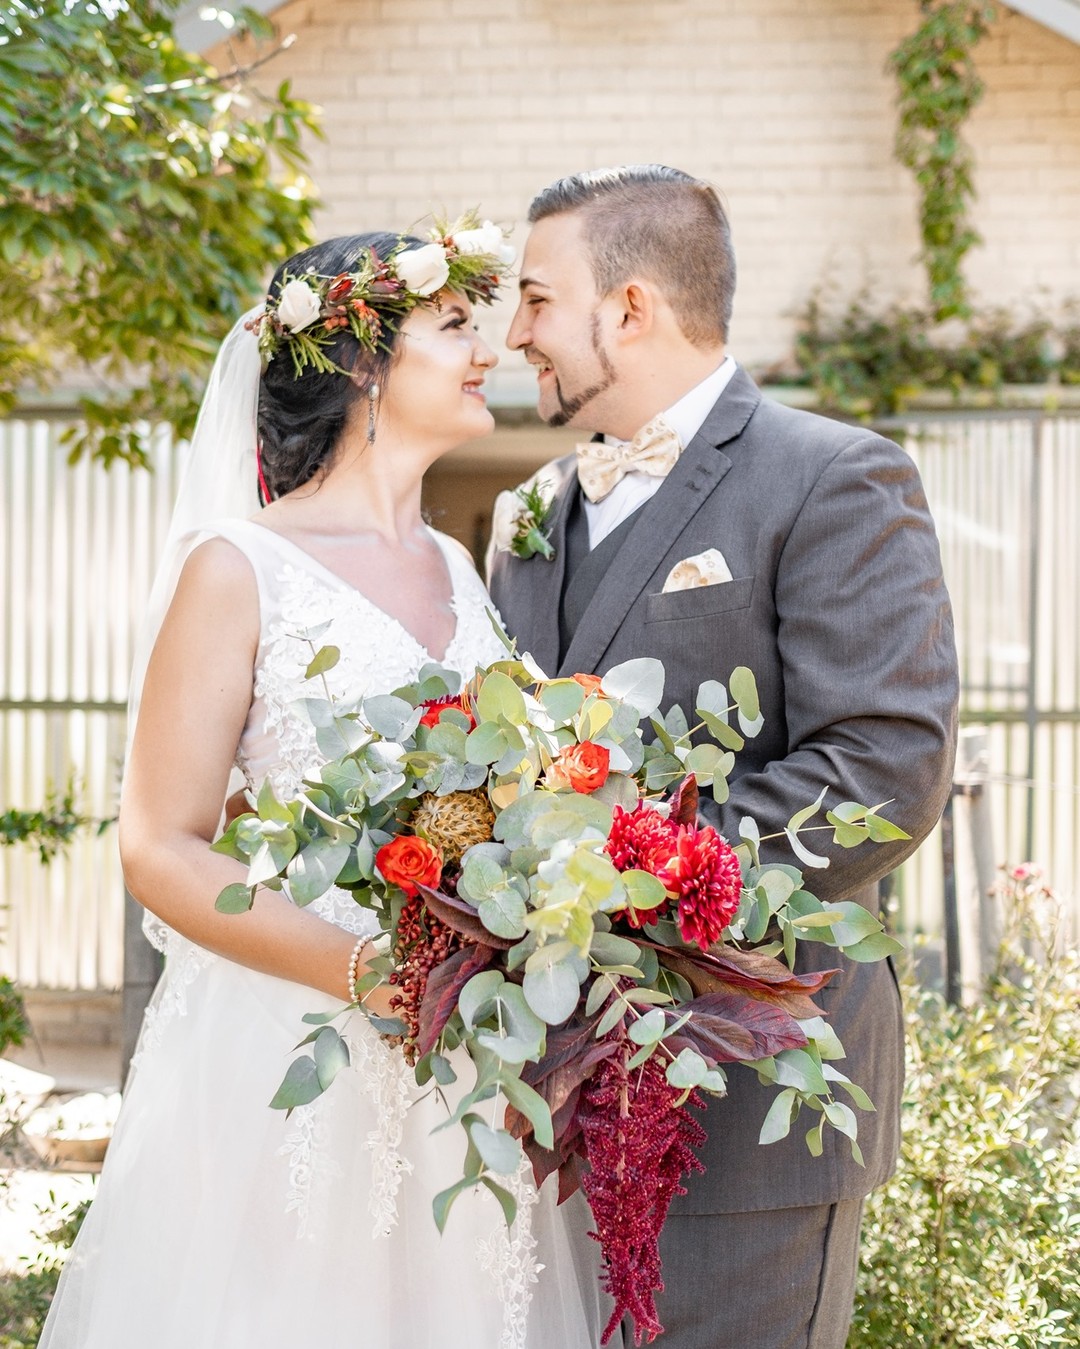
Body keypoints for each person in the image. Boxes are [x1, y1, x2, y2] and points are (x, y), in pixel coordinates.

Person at [39, 228, 608, 1349]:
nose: (484, 347)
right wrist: (370, 973)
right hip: (293, 1047)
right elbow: (159, 843)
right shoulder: (237, 566)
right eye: (453, 325)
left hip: (458, 1062)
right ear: (362, 363)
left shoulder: (461, 564)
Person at [488, 165, 959, 1349]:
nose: (515, 334)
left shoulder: (831, 476)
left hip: (755, 1086)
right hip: (555, 1097)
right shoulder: (535, 507)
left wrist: (636, 877)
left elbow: (884, 766)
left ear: (631, 307)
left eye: (538, 299)